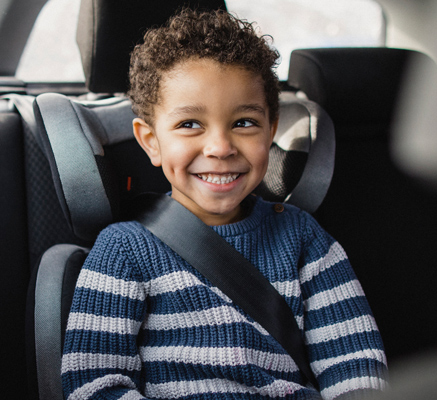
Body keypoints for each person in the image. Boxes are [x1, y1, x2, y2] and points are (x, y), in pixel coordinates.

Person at [61, 8, 387, 400]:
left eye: (244, 122)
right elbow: (94, 385)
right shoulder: (124, 250)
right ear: (150, 141)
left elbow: (356, 369)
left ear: (272, 129)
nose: (220, 147)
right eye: (189, 124)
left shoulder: (305, 241)